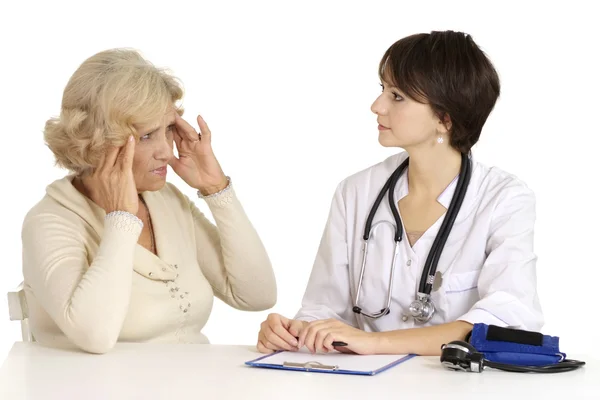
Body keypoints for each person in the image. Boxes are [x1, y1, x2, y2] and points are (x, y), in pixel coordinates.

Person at [257, 30, 543, 356]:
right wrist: (293, 332)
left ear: (444, 118)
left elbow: (505, 322)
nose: (376, 106)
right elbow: (323, 310)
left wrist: (374, 342)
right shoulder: (356, 192)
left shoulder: (503, 200)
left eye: (397, 96)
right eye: (383, 89)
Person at [21, 48, 277, 354]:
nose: (167, 152)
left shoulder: (167, 201)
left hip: (194, 383)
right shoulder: (50, 221)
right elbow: (95, 336)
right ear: (100, 143)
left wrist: (216, 189)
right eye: (146, 136)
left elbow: (256, 295)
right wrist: (122, 219)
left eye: (168, 130)